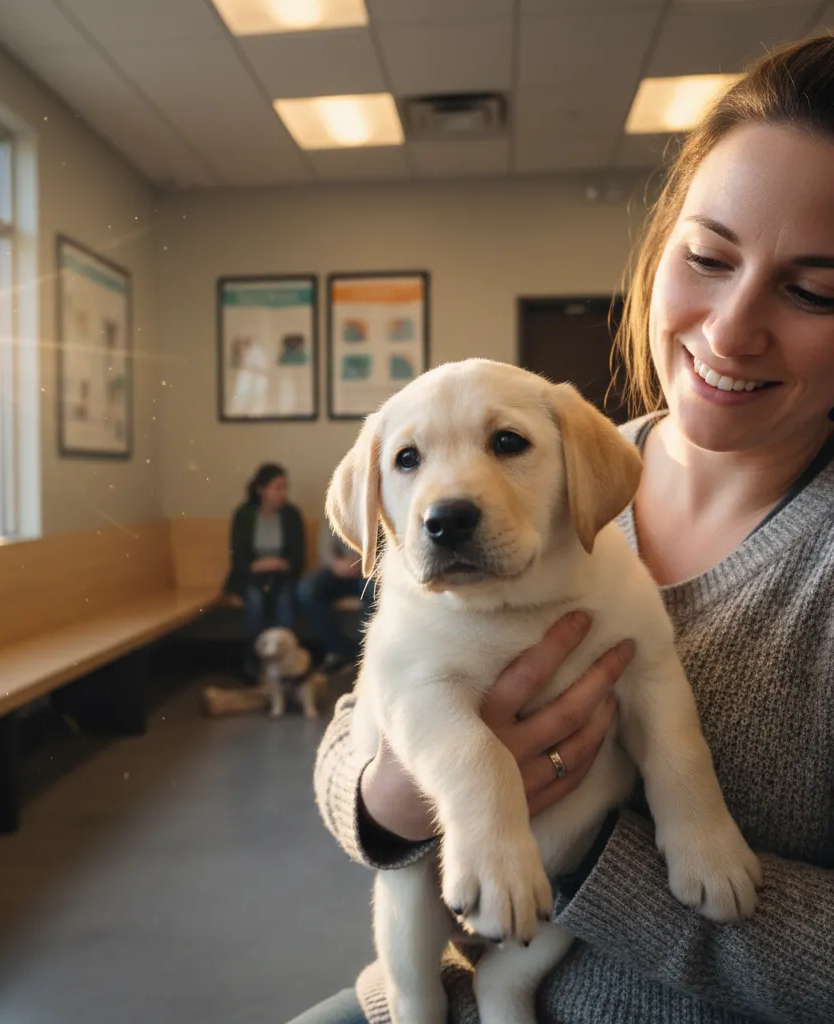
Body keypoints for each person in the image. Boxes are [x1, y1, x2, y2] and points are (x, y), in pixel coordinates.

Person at [299, 35, 834, 1024]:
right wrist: (397, 798)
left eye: (814, 289)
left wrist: (587, 852)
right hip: (421, 991)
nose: (727, 331)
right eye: (707, 257)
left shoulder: (575, 457)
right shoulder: (584, 455)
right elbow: (361, 732)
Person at [225, 463, 305, 680]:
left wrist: (280, 564)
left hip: (283, 576)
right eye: (276, 487)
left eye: (285, 487)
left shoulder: (291, 515)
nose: (282, 493)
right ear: (261, 489)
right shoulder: (244, 515)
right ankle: (254, 662)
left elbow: (298, 558)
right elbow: (238, 559)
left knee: (285, 600)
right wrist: (260, 565)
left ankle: (286, 665)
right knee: (254, 600)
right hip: (250, 577)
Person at [297, 519, 377, 672]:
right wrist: (337, 564)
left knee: (373, 589)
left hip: (367, 569)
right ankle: (338, 651)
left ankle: (370, 654)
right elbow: (325, 552)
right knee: (308, 589)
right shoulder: (333, 511)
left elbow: (381, 548)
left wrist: (359, 562)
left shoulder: (375, 511)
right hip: (336, 571)